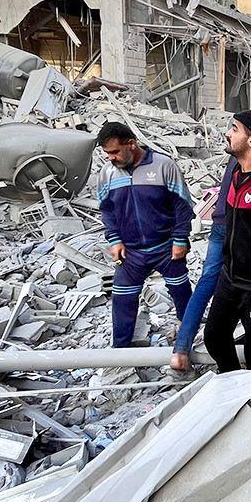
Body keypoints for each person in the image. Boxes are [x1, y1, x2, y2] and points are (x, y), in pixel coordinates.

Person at [172, 117, 251, 370]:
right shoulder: (237, 174)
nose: (227, 133)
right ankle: (236, 386)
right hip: (230, 280)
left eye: (234, 129)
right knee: (215, 339)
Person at [95, 122, 195, 352]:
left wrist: (180, 239)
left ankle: (189, 338)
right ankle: (120, 354)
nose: (110, 158)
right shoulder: (107, 173)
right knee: (122, 300)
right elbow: (107, 209)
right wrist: (114, 239)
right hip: (130, 252)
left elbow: (182, 205)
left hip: (166, 247)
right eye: (107, 153)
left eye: (114, 152)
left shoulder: (163, 166)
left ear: (131, 144)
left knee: (182, 293)